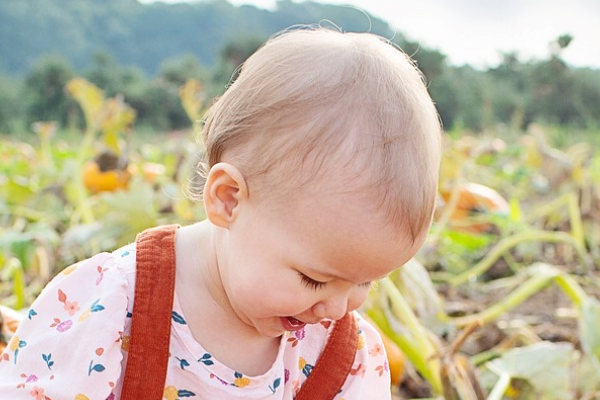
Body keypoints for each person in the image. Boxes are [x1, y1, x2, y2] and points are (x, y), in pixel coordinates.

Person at [0, 26, 441, 399]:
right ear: (228, 198)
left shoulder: (342, 357)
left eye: (364, 281)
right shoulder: (111, 306)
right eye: (315, 279)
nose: (338, 306)